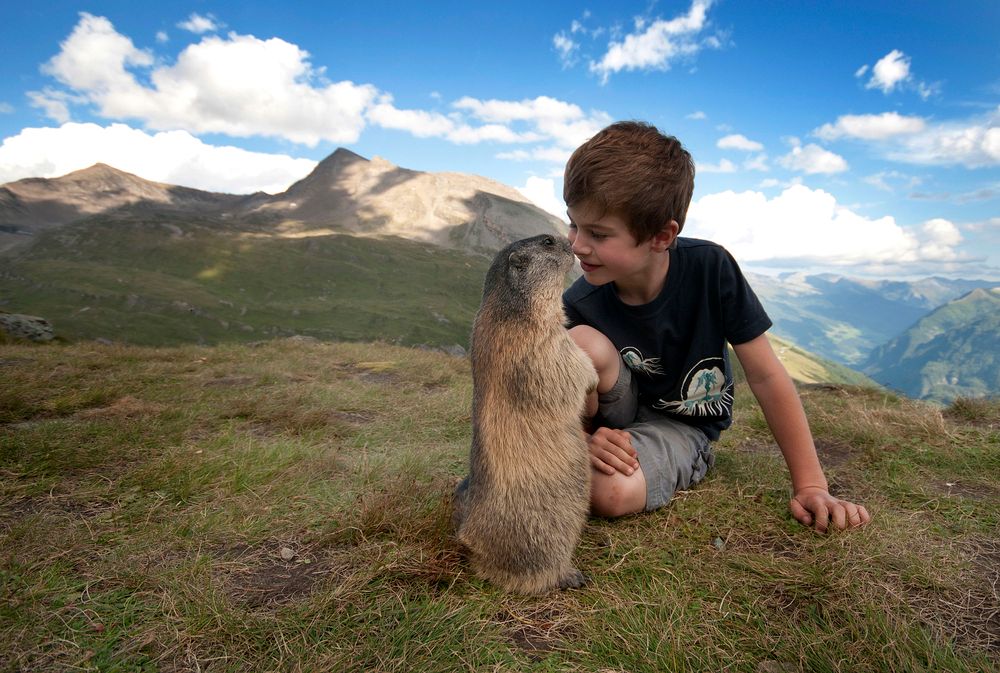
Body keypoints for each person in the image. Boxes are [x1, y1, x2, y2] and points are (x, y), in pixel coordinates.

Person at [562, 121, 870, 533]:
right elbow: (552, 388)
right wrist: (580, 440)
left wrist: (811, 485)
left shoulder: (711, 268)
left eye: (599, 234)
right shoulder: (580, 300)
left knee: (608, 493)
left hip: (681, 425)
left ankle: (686, 460)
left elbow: (765, 375)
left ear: (661, 236)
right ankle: (575, 450)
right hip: (607, 421)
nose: (577, 244)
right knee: (578, 344)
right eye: (573, 224)